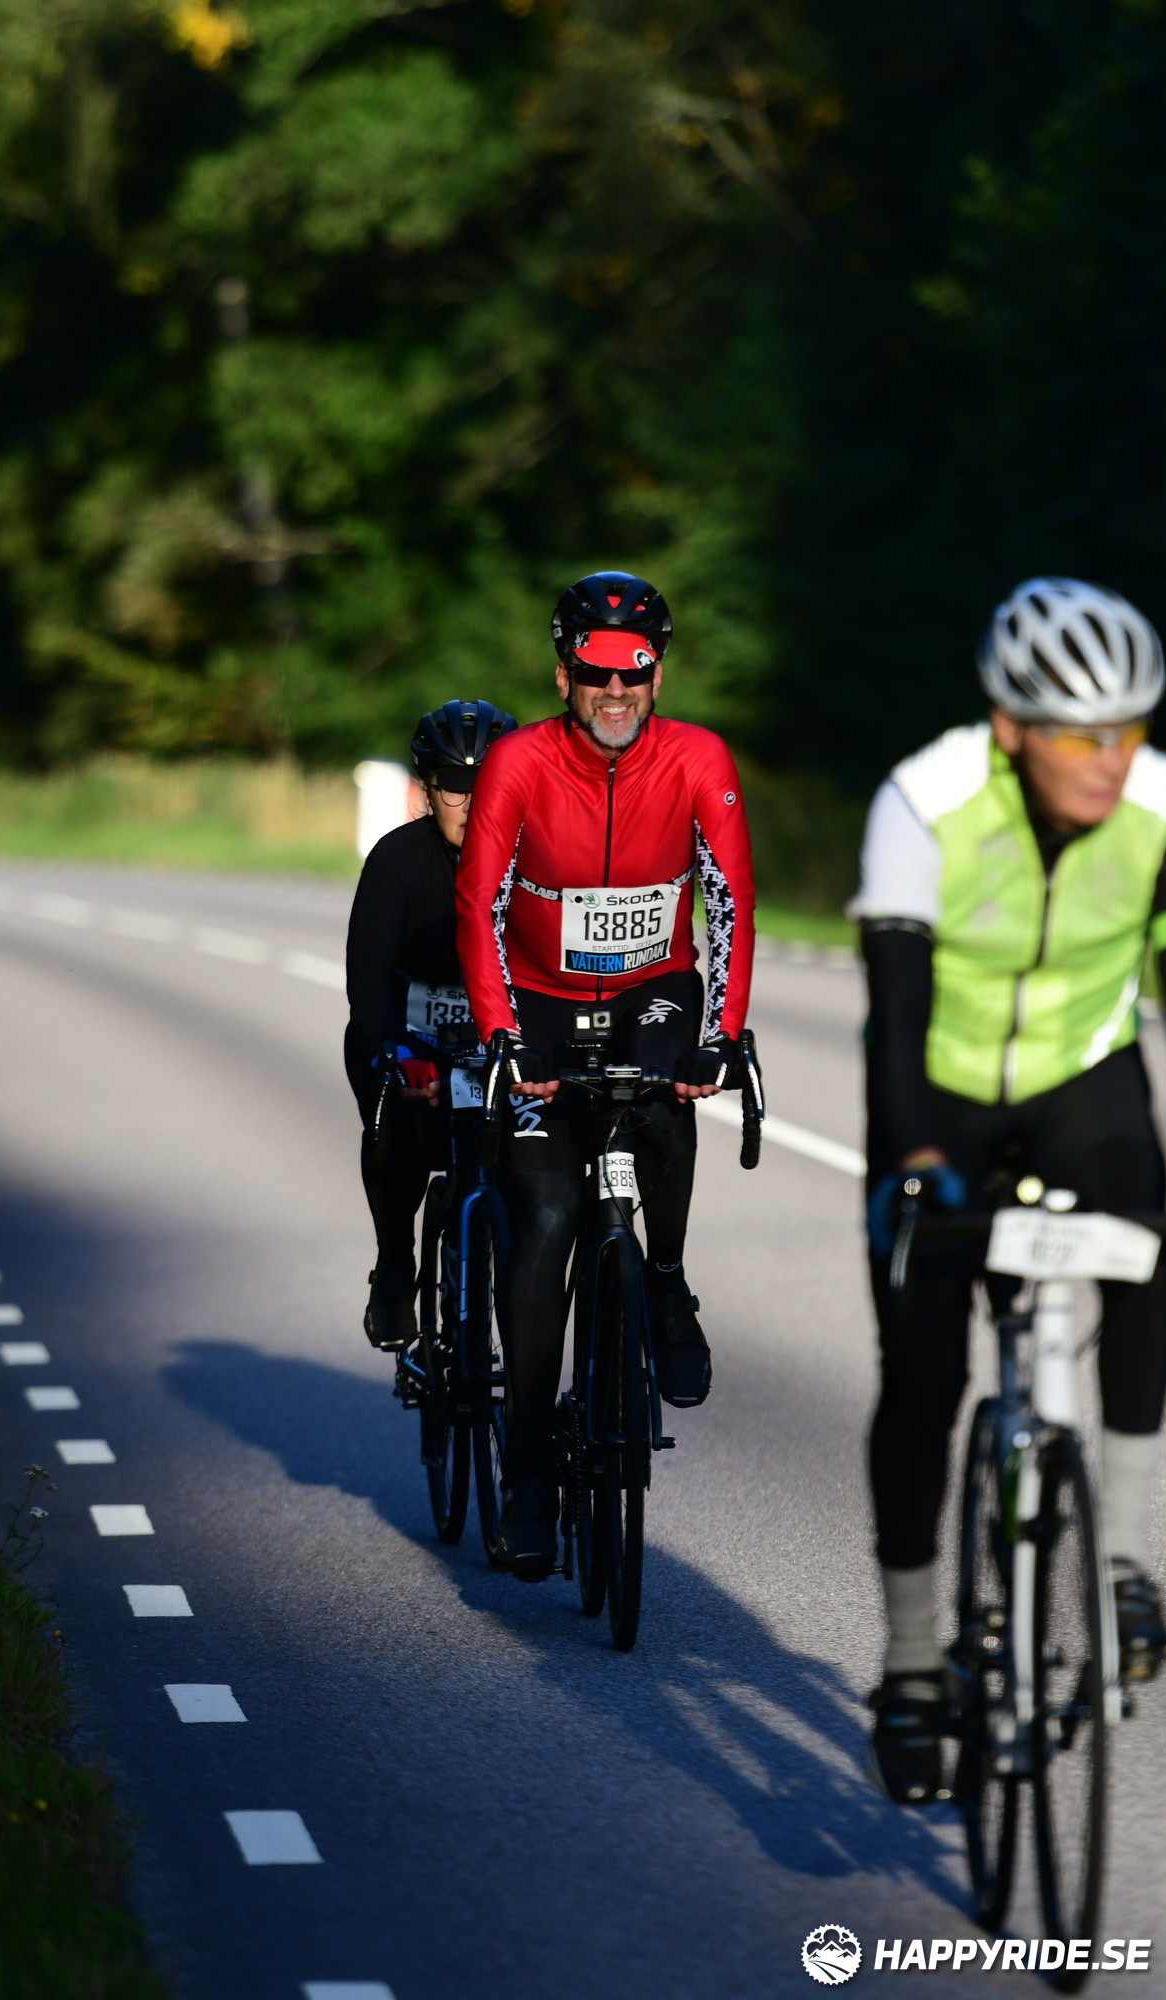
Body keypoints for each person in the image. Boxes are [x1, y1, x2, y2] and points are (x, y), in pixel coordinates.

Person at [856, 576, 1166, 1806]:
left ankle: (1124, 1561)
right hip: (938, 1087)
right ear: (1008, 725)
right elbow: (891, 1010)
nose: (1108, 759)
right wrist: (913, 1157)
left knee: (1151, 1249)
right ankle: (911, 1659)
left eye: (1126, 729)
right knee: (921, 1375)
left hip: (1082, 1076)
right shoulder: (921, 801)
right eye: (1078, 735)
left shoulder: (1156, 807)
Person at [455, 571, 756, 1578]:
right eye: (595, 675)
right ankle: (528, 1475)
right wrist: (503, 1034)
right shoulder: (519, 762)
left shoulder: (698, 758)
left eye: (633, 673)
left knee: (667, 1097)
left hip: (652, 988)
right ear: (563, 677)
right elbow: (480, 904)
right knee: (543, 1225)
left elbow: (729, 898)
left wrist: (721, 1035)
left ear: (657, 674)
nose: (615, 692)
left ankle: (663, 1282)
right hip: (538, 997)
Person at [346, 700, 517, 1351]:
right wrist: (389, 1050)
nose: (472, 802)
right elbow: (367, 981)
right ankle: (395, 1266)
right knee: (400, 1126)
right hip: (411, 1039)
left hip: (500, 1045)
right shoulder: (396, 860)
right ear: (426, 789)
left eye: (488, 783)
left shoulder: (535, 859)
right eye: (455, 786)